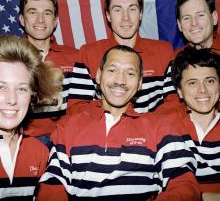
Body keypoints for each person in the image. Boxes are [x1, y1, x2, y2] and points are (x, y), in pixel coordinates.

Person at [37, 45, 201, 201]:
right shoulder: (69, 127)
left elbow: (185, 184)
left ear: (139, 83)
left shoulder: (160, 127)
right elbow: (52, 185)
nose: (120, 80)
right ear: (99, 76)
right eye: (112, 70)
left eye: (130, 74)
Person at [70, 0, 174, 114]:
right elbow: (77, 107)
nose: (126, 18)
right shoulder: (88, 53)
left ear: (141, 14)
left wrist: (148, 126)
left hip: (153, 131)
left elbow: (174, 103)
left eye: (132, 9)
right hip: (105, 131)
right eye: (117, 10)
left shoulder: (164, 51)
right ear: (108, 15)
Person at [0, 35, 63, 200]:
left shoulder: (40, 152)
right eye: (1, 88)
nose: (11, 100)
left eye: (21, 89)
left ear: (33, 95)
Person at [19, 0, 78, 144]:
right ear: (22, 20)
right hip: (23, 141)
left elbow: (82, 107)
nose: (40, 20)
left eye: (47, 13)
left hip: (65, 141)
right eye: (32, 12)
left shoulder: (75, 57)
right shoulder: (11, 56)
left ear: (55, 20)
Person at [170, 47, 220, 201]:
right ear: (179, 91)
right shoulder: (166, 128)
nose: (202, 90)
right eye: (192, 83)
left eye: (210, 81)